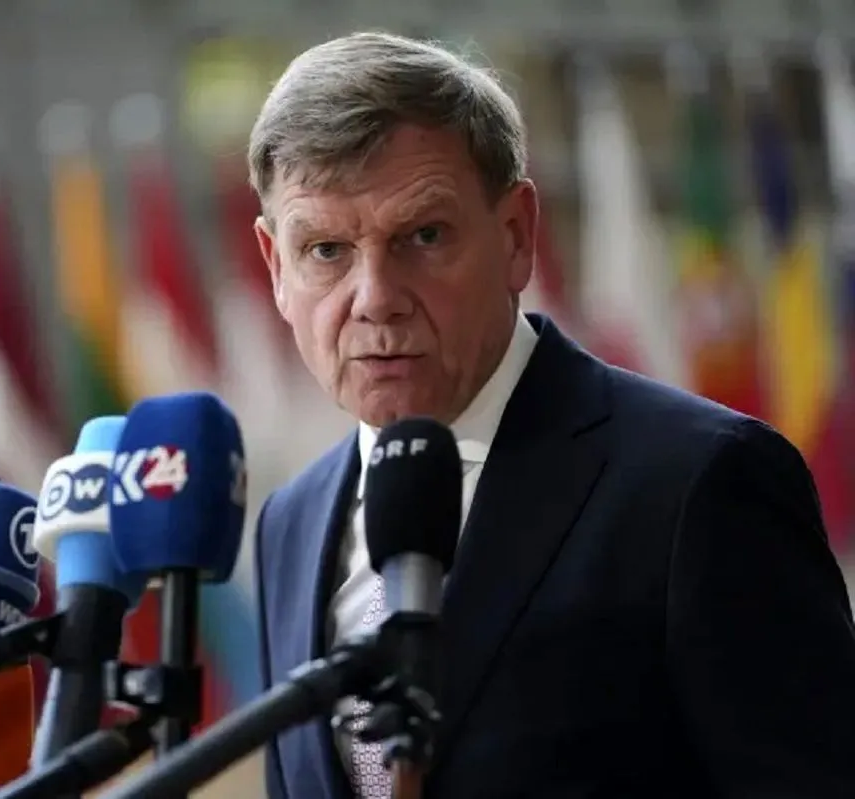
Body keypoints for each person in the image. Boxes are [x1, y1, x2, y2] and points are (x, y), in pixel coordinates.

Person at [249, 31, 855, 799]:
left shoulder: (698, 482)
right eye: (326, 250)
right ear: (276, 266)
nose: (375, 298)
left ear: (516, 236)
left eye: (423, 236)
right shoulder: (290, 523)